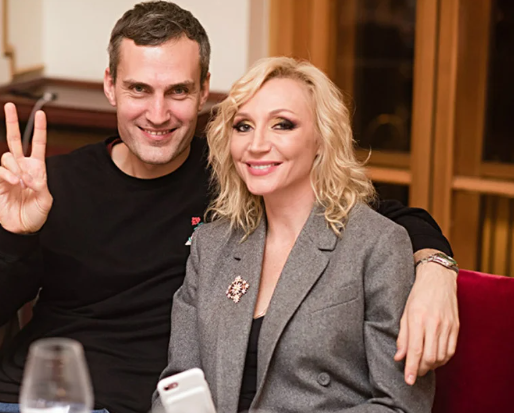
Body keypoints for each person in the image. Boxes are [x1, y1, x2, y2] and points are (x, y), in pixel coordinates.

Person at [0, 2, 457, 413]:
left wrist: (436, 268)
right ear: (110, 86)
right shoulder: (54, 183)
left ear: (203, 92)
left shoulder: (236, 178)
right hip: (20, 396)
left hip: (122, 402)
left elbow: (372, 216)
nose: (157, 114)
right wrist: (15, 233)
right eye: (138, 89)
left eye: (177, 91)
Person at [154, 56, 434, 413]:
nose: (256, 144)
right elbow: (175, 388)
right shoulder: (210, 245)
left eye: (282, 125)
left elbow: (401, 406)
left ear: (322, 139)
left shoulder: (377, 244)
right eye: (243, 126)